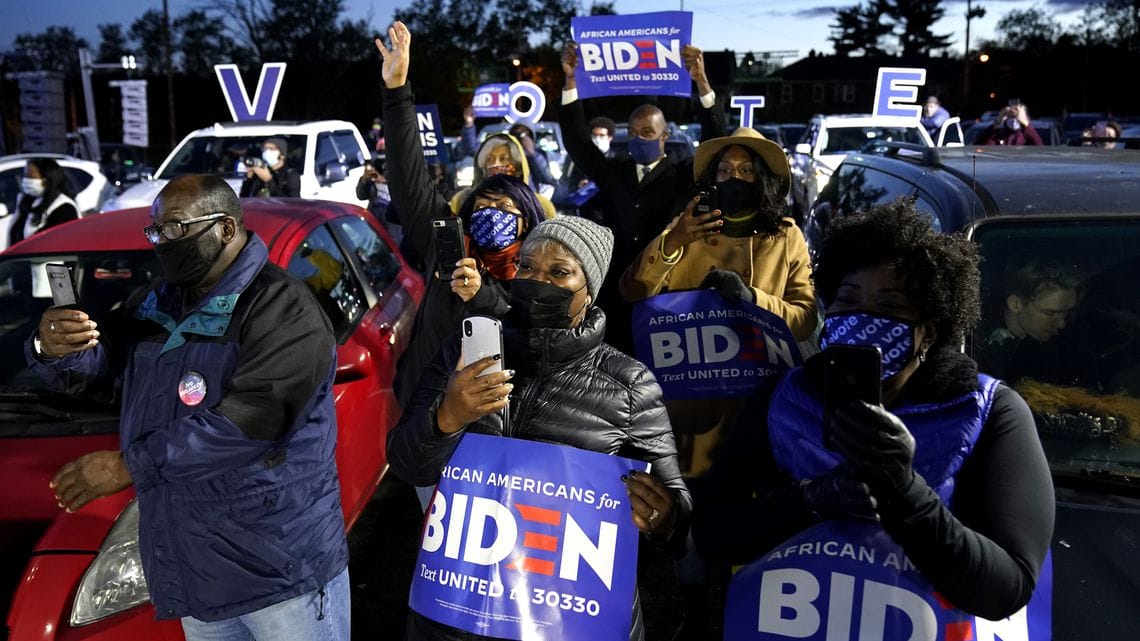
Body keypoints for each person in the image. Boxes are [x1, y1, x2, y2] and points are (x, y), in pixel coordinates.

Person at [692, 200, 1054, 622]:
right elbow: (713, 532)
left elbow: (1006, 588)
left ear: (929, 331)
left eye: (888, 308)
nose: (862, 319)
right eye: (848, 300)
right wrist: (813, 499)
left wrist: (904, 492)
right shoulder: (782, 399)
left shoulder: (988, 411)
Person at [28, 174, 350, 640]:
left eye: (175, 228)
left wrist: (128, 466)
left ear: (224, 228)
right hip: (197, 573)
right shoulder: (156, 302)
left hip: (281, 572)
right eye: (155, 230)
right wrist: (55, 349)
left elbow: (253, 421)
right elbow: (108, 378)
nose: (162, 242)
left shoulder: (282, 306)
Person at [387, 215, 691, 641]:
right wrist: (448, 417)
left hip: (565, 624)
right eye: (527, 267)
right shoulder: (465, 354)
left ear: (589, 290)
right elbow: (407, 464)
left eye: (560, 272)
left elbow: (677, 509)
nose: (537, 280)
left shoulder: (628, 385)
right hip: (453, 620)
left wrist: (665, 516)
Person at [375, 22, 547, 409]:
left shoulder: (542, 267)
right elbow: (409, 176)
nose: (492, 214)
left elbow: (539, 333)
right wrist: (397, 94)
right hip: (427, 411)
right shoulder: (448, 247)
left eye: (505, 209)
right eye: (483, 206)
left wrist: (483, 296)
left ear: (528, 221)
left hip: (502, 422)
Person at [559, 41, 727, 354]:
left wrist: (701, 82)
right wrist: (571, 81)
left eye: (647, 133)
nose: (638, 139)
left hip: (667, 293)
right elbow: (579, 145)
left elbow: (715, 140)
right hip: (616, 292)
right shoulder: (614, 170)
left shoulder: (684, 173)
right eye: (633, 133)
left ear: (665, 136)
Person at [976, 258, 1082, 380]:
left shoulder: (1062, 346)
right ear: (1016, 304)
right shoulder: (978, 350)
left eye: (1066, 312)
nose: (1061, 323)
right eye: (1049, 313)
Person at [7, 157, 79, 249]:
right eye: (25, 175)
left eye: (31, 176)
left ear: (46, 179)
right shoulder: (27, 201)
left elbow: (60, 244)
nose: (25, 180)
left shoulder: (64, 207)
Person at [508, 121, 558, 194]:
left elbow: (546, 178)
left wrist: (532, 153)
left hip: (530, 194)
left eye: (525, 134)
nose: (521, 139)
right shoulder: (507, 154)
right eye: (517, 134)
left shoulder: (537, 154)